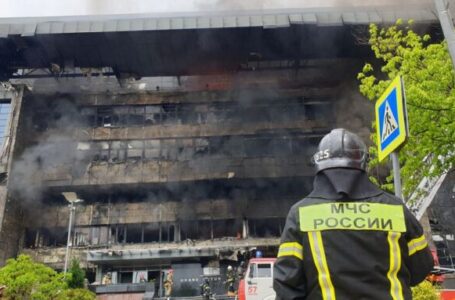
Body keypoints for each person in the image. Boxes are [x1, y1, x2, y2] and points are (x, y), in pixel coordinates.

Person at [273, 128, 434, 300]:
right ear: (364, 164)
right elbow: (421, 268)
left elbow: (287, 286)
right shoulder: (395, 209)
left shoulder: (300, 214)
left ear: (319, 165)